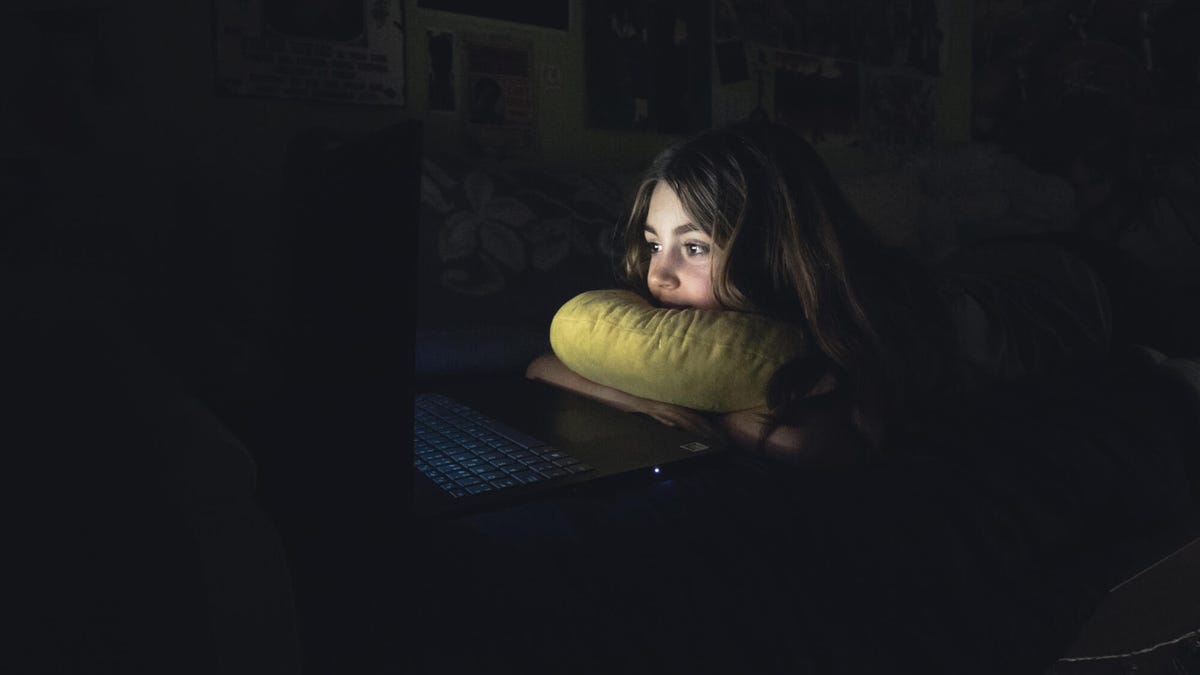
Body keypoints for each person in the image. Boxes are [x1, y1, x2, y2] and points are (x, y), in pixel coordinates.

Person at [527, 121, 1113, 464]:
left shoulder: (851, 321)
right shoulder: (708, 325)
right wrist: (646, 403)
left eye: (696, 247)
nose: (659, 274)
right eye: (655, 243)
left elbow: (801, 438)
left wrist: (691, 409)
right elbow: (543, 364)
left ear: (770, 251)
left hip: (1060, 287)